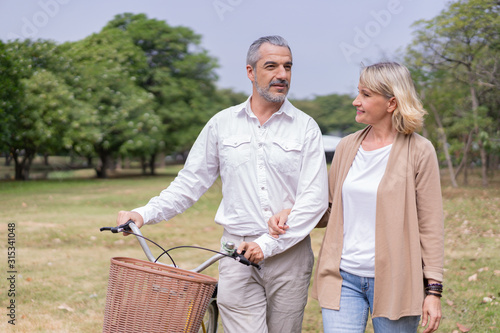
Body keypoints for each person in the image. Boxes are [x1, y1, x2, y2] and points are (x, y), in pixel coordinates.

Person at [116, 35, 328, 333]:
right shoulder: (222, 124)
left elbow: (314, 200)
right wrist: (143, 214)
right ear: (250, 72)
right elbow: (190, 183)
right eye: (272, 66)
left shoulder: (306, 128)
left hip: (289, 255)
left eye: (287, 67)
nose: (282, 75)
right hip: (235, 254)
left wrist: (265, 245)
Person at [269, 62, 444, 333]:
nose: (356, 101)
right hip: (343, 278)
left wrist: (433, 291)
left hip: (395, 280)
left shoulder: (420, 151)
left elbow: (430, 225)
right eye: (358, 92)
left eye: (365, 94)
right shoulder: (347, 146)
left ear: (391, 103)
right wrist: (292, 213)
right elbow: (326, 208)